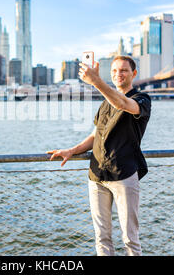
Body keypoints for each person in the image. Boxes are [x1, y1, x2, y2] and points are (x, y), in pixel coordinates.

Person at [47, 56, 151, 256]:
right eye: (113, 71)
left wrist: (95, 81)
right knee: (102, 237)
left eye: (123, 70)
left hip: (124, 175)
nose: (118, 74)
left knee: (130, 239)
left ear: (134, 74)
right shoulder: (105, 103)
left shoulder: (142, 100)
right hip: (97, 176)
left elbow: (122, 103)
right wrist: (72, 150)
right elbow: (96, 134)